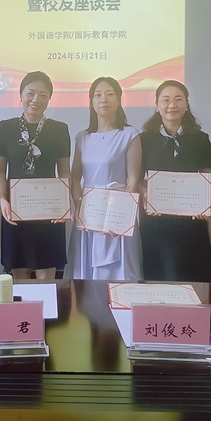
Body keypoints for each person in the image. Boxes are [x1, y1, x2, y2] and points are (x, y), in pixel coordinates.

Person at [0, 71, 70, 280]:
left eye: (43, 95)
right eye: (31, 93)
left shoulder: (59, 130)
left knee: (46, 278)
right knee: (20, 278)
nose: (36, 99)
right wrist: (2, 198)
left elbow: (64, 171)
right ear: (21, 95)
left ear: (49, 99)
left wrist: (64, 203)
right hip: (16, 211)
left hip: (49, 212)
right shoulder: (5, 128)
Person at [66, 77, 142, 280]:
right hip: (89, 213)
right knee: (86, 274)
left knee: (118, 273)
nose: (103, 99)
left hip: (117, 213)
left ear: (119, 99)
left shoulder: (130, 135)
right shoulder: (82, 137)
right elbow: (75, 178)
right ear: (91, 101)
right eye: (97, 95)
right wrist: (79, 204)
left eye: (110, 94)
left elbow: (133, 182)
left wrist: (120, 219)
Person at [139, 80, 211, 282]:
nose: (172, 105)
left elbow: (208, 176)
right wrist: (146, 195)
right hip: (156, 223)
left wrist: (206, 205)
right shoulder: (144, 140)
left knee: (193, 279)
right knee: (159, 278)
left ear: (186, 104)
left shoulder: (200, 139)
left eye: (178, 99)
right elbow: (137, 179)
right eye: (165, 100)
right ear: (157, 105)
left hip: (192, 221)